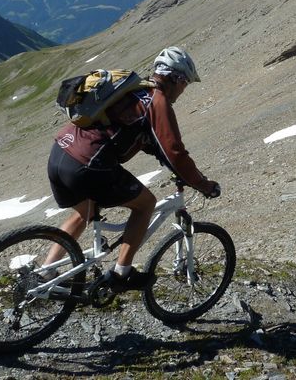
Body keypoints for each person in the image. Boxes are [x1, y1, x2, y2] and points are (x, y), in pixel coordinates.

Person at [43, 46, 220, 291]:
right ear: (176, 79)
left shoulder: (133, 91)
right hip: (87, 165)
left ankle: (45, 273)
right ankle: (121, 273)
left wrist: (170, 164)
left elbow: (143, 139)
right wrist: (202, 184)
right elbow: (174, 151)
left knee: (85, 212)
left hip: (60, 153)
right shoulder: (157, 102)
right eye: (185, 83)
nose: (184, 89)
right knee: (146, 204)